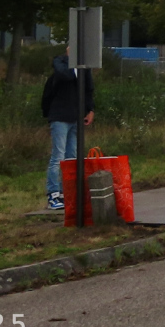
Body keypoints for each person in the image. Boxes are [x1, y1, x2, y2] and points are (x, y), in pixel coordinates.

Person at [41, 47, 95, 211]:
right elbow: (65, 75)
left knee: (72, 155)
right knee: (58, 155)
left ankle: (69, 192)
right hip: (60, 116)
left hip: (76, 116)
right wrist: (73, 62)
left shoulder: (85, 68)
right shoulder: (60, 62)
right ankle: (53, 194)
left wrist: (90, 110)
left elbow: (88, 89)